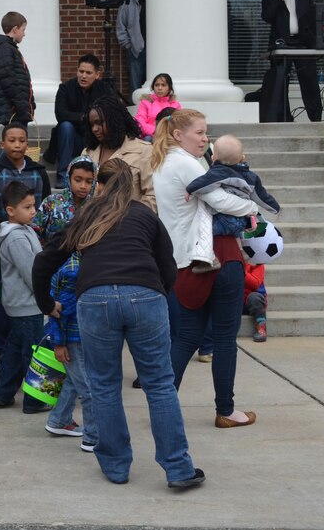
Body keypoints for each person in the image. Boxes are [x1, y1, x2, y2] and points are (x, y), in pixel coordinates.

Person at [32, 158, 205, 490]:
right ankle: (178, 468)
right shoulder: (145, 215)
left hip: (95, 300)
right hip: (145, 297)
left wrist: (45, 303)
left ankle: (115, 466)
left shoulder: (86, 215)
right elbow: (168, 265)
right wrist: (156, 293)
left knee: (105, 385)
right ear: (135, 187)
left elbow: (44, 261)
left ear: (99, 185)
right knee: (159, 385)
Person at [150, 109, 259, 429]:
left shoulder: (163, 163)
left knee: (186, 338)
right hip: (217, 259)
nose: (205, 139)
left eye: (206, 132)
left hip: (184, 265)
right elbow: (222, 201)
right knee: (224, 339)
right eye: (199, 132)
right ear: (178, 134)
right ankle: (226, 410)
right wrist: (254, 206)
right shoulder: (186, 163)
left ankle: (162, 405)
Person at [0, 123, 50, 363]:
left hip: (33, 240)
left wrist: (33, 225)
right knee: (2, 294)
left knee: (29, 296)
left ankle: (20, 348)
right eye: (12, 141)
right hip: (4, 242)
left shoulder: (39, 171)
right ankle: (2, 348)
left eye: (22, 140)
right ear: (2, 144)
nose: (17, 145)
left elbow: (44, 205)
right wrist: (10, 222)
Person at [0, 182, 47, 413]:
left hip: (19, 305)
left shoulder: (22, 231)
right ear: (10, 210)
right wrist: (47, 300)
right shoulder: (17, 238)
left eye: (34, 206)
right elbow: (32, 273)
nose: (33, 211)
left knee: (13, 352)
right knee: (34, 354)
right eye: (27, 207)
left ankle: (3, 394)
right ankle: (34, 401)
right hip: (28, 305)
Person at [185, 135, 279, 272]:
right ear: (243, 158)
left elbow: (204, 182)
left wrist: (190, 189)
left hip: (223, 218)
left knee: (202, 228)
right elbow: (261, 195)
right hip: (241, 220)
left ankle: (210, 258)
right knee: (234, 230)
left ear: (213, 158)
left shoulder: (218, 172)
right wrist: (274, 207)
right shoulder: (252, 177)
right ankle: (242, 251)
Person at [42, 249, 97, 452]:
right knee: (89, 389)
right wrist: (59, 343)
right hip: (73, 338)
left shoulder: (74, 264)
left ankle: (58, 420)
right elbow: (59, 311)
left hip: (76, 337)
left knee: (74, 381)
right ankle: (93, 437)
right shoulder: (75, 270)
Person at [260, 0, 322, 122]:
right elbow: (267, 17)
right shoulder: (269, 1)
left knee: (309, 82)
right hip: (282, 45)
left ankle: (316, 119)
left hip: (302, 44)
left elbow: (313, 20)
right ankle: (283, 118)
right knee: (280, 83)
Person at [82, 95, 156, 210]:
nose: (94, 129)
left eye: (99, 122)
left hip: (128, 223)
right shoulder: (87, 153)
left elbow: (152, 196)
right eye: (91, 124)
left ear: (114, 120)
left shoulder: (144, 151)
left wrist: (127, 218)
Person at [50, 53, 110, 188]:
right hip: (71, 138)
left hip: (94, 137)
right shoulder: (65, 88)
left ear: (97, 74)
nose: (83, 76)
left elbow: (110, 112)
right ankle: (62, 176)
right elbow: (60, 114)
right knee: (65, 126)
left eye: (88, 73)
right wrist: (84, 117)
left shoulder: (104, 89)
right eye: (81, 71)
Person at [33, 155, 98, 241]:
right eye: (78, 180)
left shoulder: (95, 208)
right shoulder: (51, 202)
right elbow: (34, 231)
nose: (83, 186)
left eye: (89, 182)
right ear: (68, 178)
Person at [0, 11, 34, 125]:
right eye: (23, 30)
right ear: (15, 29)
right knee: (16, 141)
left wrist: (30, 104)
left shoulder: (9, 48)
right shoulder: (4, 49)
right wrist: (21, 106)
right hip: (13, 111)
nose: (24, 34)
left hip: (16, 110)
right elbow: (8, 80)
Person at [116, 0, 146, 97]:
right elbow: (121, 26)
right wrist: (129, 45)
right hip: (136, 51)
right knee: (136, 88)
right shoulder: (129, 3)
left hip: (158, 52)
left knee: (159, 85)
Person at [135, 73, 181, 140]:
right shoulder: (145, 102)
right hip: (150, 136)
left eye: (163, 85)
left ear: (169, 88)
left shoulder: (175, 104)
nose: (159, 88)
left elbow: (179, 124)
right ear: (153, 87)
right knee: (148, 139)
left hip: (169, 137)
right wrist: (156, 131)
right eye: (157, 85)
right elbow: (139, 122)